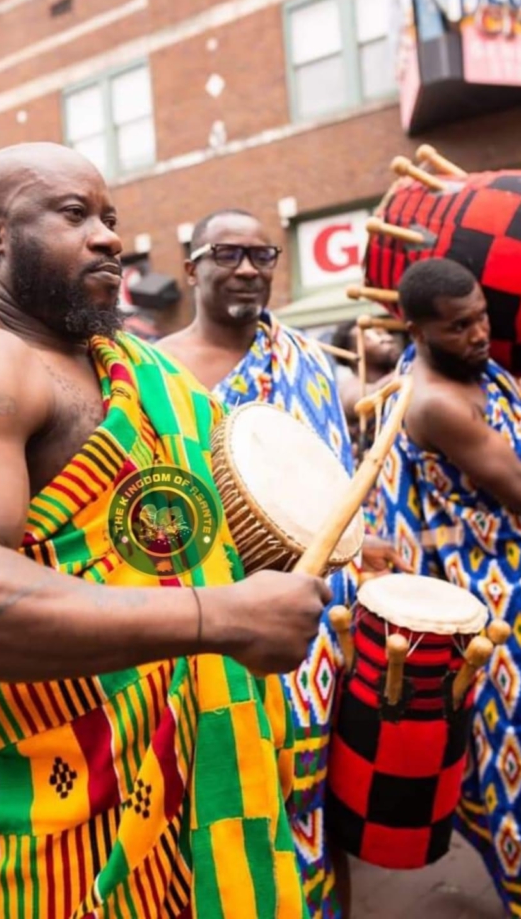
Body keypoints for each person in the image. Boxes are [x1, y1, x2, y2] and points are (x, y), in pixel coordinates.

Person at [0, 145, 331, 919]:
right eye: (73, 214)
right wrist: (218, 619)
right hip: (38, 814)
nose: (109, 238)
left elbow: (185, 540)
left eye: (111, 218)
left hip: (180, 772)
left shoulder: (144, 374)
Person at [158, 209, 408, 918]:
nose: (246, 266)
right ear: (192, 266)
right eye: (226, 252)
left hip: (314, 619)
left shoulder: (306, 362)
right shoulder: (154, 371)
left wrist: (366, 539)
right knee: (216, 792)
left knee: (314, 796)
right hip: (206, 615)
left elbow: (333, 470)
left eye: (260, 253)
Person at [378, 258, 521, 917]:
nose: (479, 336)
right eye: (457, 327)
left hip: (517, 578)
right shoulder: (436, 402)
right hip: (500, 598)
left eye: (480, 317)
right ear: (411, 328)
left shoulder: (472, 370)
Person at [331, 318, 402, 532]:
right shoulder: (349, 388)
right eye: (372, 335)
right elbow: (366, 400)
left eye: (385, 332)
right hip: (374, 504)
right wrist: (413, 366)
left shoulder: (408, 374)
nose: (386, 338)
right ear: (353, 352)